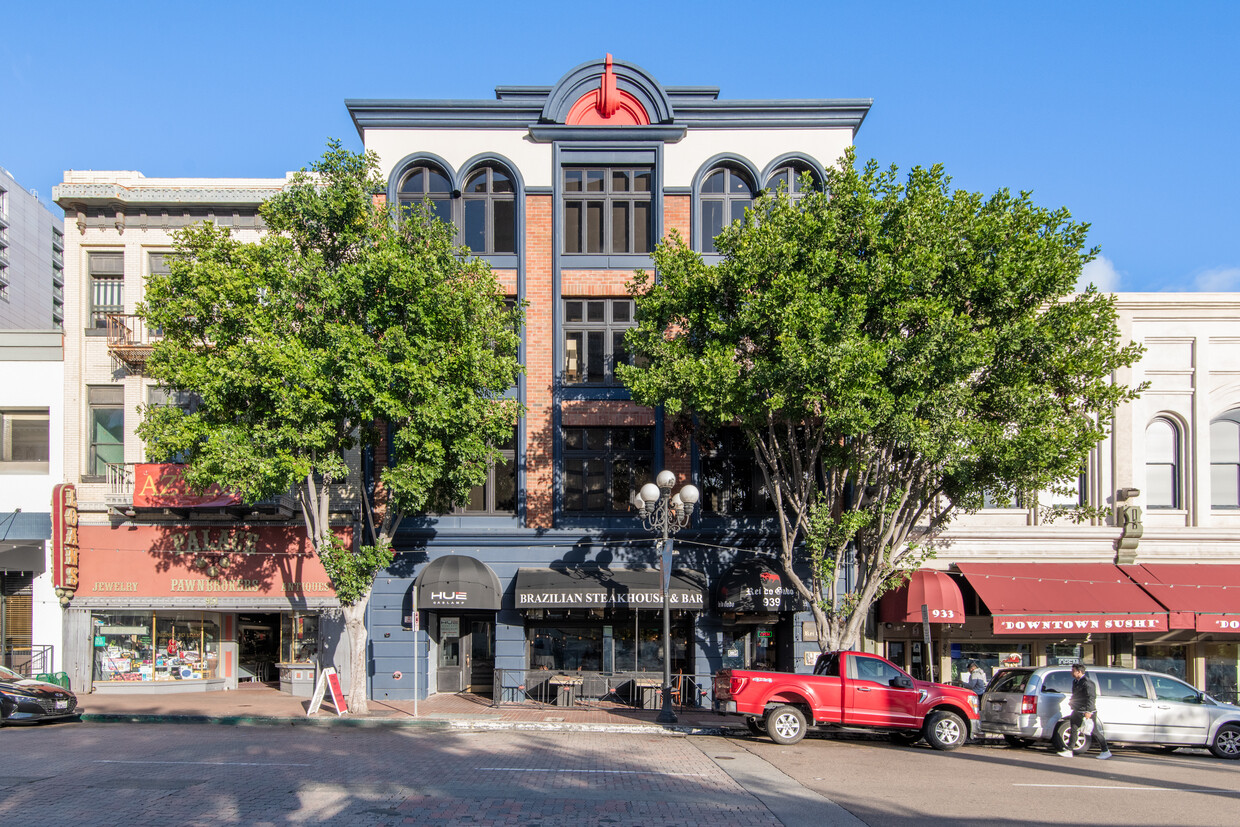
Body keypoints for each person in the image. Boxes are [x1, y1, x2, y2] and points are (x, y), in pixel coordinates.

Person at [1059, 663, 1112, 760]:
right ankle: (1069, 750)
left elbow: (1091, 697)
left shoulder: (1087, 682)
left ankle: (1105, 750)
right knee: (1073, 729)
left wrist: (1089, 711)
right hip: (1077, 710)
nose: (1071, 672)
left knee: (1094, 731)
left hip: (1086, 711)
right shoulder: (1075, 681)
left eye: (1073, 670)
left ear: (1079, 672)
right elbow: (1076, 695)